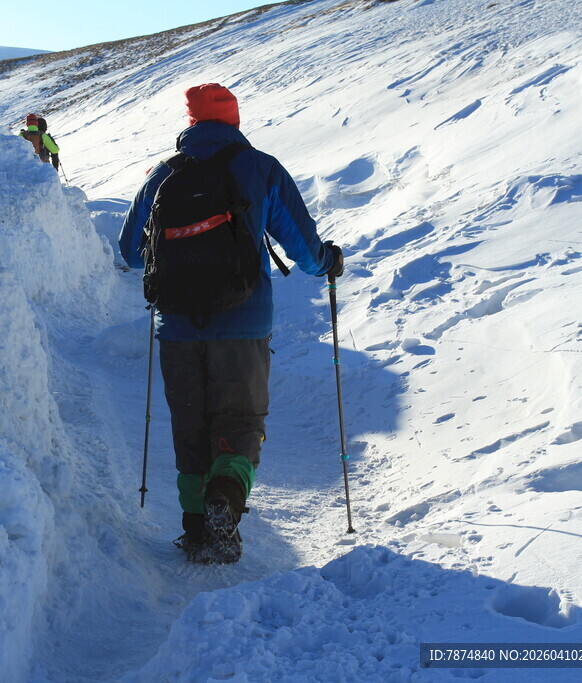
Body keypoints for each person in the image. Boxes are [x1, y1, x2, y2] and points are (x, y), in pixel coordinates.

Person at [117, 83, 343, 564]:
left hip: (176, 325)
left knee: (189, 426)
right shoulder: (260, 167)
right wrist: (328, 263)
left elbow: (128, 253)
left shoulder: (163, 174)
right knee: (240, 421)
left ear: (191, 123)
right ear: (234, 121)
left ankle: (197, 529)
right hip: (243, 321)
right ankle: (225, 496)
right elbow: (304, 249)